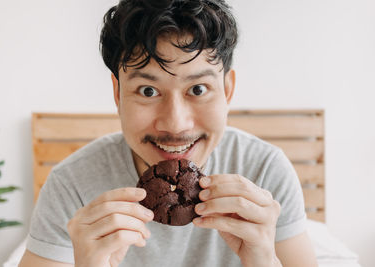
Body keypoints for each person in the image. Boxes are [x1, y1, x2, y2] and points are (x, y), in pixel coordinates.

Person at [19, 0, 318, 266]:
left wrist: (263, 261)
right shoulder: (72, 185)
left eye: (197, 89)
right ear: (117, 93)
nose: (175, 124)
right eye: (148, 91)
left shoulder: (265, 171)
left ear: (227, 91)